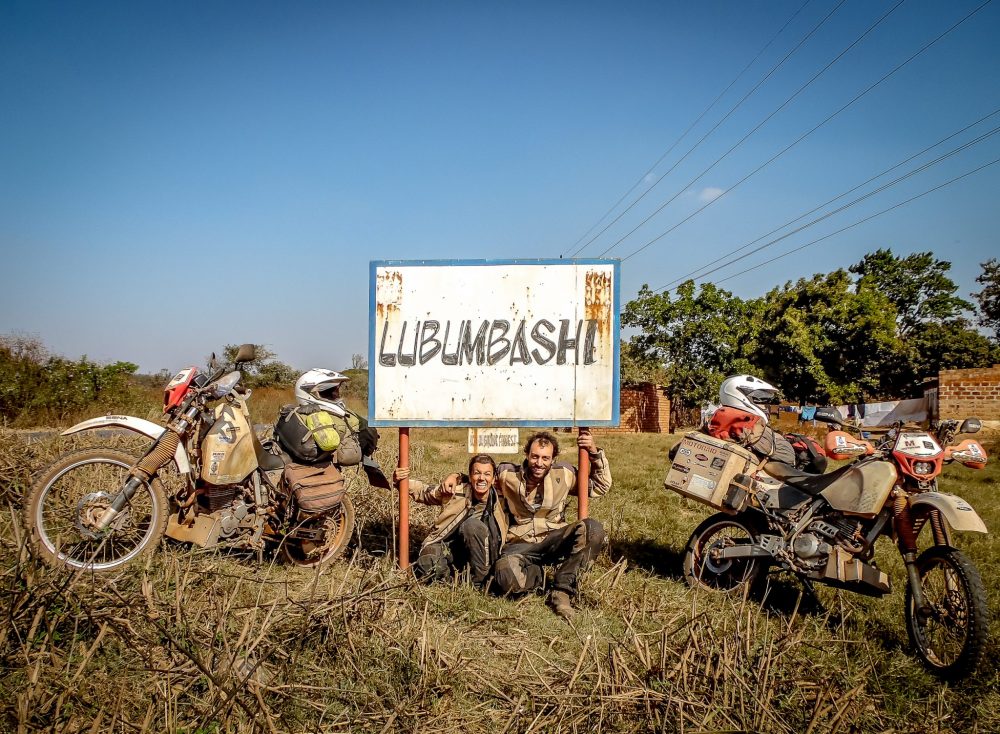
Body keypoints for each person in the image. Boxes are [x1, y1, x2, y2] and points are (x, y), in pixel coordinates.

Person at [489, 429, 612, 621]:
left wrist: (594, 451)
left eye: (545, 458)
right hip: (520, 544)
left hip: (554, 539)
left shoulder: (564, 474)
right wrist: (455, 477)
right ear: (526, 454)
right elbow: (478, 477)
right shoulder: (507, 474)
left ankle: (561, 591)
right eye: (535, 456)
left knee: (592, 529)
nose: (539, 463)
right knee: (505, 576)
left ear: (553, 458)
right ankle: (540, 575)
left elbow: (600, 485)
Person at [393, 454, 508, 586]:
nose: (482, 478)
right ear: (470, 477)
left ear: (494, 479)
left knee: (472, 526)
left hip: (484, 553)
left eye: (487, 474)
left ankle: (478, 583)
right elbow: (424, 492)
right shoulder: (455, 491)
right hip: (449, 547)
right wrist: (400, 481)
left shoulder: (503, 498)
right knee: (428, 565)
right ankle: (450, 581)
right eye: (477, 473)